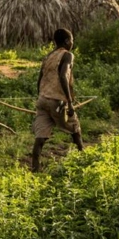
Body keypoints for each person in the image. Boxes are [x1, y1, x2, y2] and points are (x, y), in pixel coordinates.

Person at [31, 28, 84, 173]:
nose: (72, 43)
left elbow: (39, 79)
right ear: (67, 41)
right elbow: (63, 76)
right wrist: (70, 102)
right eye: (72, 40)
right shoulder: (67, 55)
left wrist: (41, 97)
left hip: (42, 100)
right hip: (57, 102)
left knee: (40, 136)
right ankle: (84, 159)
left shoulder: (49, 55)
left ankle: (35, 168)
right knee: (74, 128)